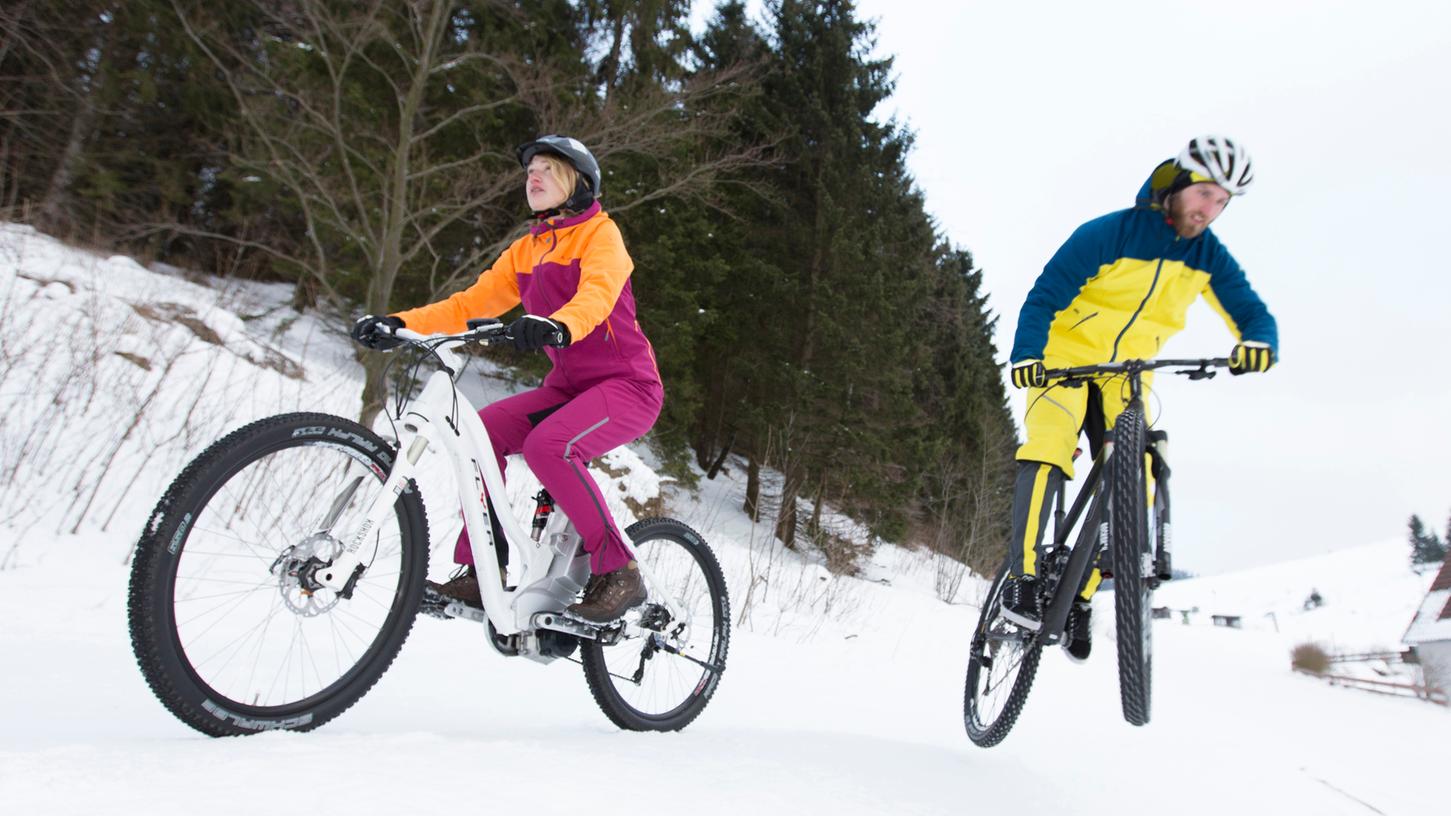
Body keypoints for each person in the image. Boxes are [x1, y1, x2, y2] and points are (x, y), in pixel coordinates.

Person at [350, 134, 663, 624]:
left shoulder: (601, 235)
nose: (533, 176)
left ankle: (619, 568)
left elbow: (597, 295)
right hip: (566, 390)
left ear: (579, 184)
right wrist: (400, 324)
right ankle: (481, 572)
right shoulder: (527, 251)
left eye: (548, 169)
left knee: (548, 446)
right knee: (481, 434)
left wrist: (558, 325)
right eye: (530, 169)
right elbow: (467, 306)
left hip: (627, 386)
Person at [1001, 135, 1278, 661]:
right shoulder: (1109, 234)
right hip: (1063, 359)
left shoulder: (1207, 257)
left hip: (1125, 376)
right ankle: (1025, 579)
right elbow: (1044, 296)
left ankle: (1078, 596)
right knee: (1050, 448)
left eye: (1222, 203)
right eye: (1205, 194)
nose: (1210, 210)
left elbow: (1249, 310)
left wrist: (1259, 342)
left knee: (1135, 472)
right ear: (1178, 182)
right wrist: (1027, 354)